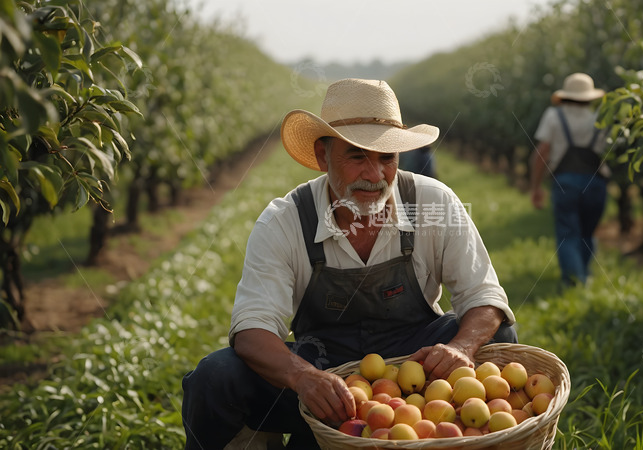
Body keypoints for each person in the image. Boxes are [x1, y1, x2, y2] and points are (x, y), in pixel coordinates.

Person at [181, 78, 517, 449]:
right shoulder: (285, 221)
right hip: (322, 363)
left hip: (415, 369)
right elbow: (252, 327)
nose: (375, 176)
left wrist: (461, 348)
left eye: (387, 158)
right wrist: (303, 377)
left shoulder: (432, 203)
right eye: (357, 156)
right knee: (215, 377)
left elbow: (484, 295)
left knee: (497, 339)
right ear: (323, 157)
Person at [530, 72, 609, 286]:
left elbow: (542, 152)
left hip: (565, 182)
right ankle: (584, 275)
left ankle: (575, 283)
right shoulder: (601, 117)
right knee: (588, 232)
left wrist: (536, 187)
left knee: (568, 234)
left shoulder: (554, 116)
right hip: (596, 182)